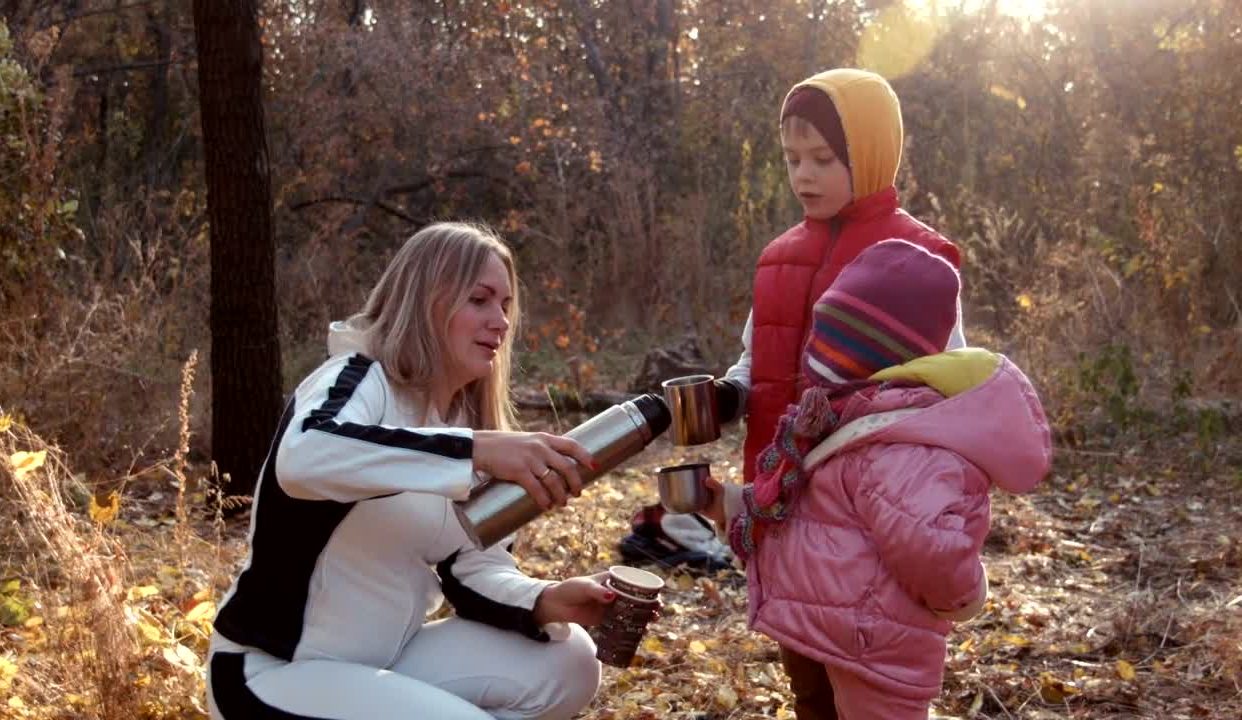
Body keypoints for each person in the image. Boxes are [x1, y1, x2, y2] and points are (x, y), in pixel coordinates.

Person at [205, 221, 620, 720]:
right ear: (427, 302)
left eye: (505, 306)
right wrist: (474, 451)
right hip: (272, 672)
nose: (501, 322)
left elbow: (475, 570)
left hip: (387, 661)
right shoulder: (360, 378)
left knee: (570, 660)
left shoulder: (468, 425)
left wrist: (546, 600)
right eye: (479, 300)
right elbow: (303, 456)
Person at [622, 68, 965, 573]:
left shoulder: (915, 257)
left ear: (871, 154)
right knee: (784, 614)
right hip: (774, 495)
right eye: (792, 158)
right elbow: (756, 360)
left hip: (868, 506)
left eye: (823, 159)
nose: (803, 174)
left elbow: (949, 381)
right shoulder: (779, 258)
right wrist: (728, 397)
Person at [703, 239, 1053, 720]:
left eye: (831, 343)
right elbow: (813, 504)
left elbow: (931, 547)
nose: (815, 357)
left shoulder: (901, 443)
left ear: (878, 354)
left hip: (881, 645)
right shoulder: (852, 415)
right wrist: (732, 503)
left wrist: (967, 596)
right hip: (854, 633)